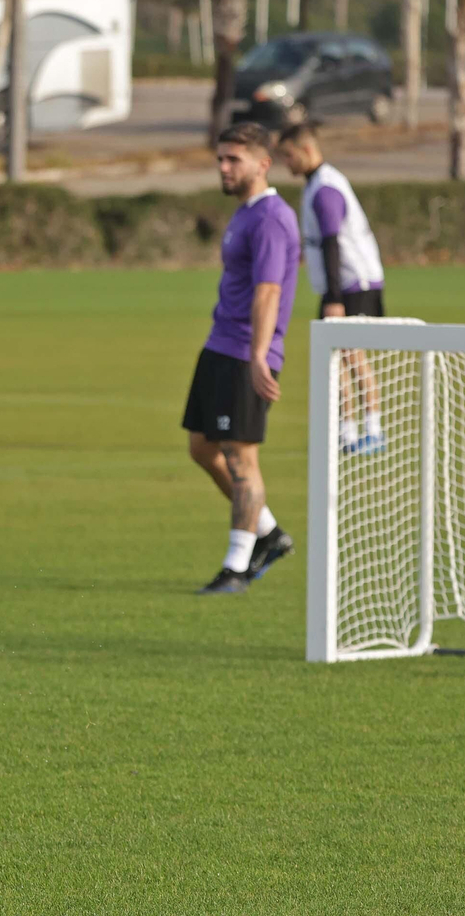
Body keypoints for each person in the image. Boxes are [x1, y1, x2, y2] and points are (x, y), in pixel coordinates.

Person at [183, 122, 300, 595]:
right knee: (202, 447)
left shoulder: (272, 218)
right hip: (220, 345)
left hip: (245, 353)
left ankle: (236, 567)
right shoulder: (246, 213)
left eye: (234, 160)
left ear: (262, 164)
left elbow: (269, 291)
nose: (224, 168)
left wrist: (258, 355)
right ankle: (269, 534)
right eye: (221, 159)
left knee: (240, 459)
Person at [278, 122, 386, 454]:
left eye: (289, 155)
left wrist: (334, 297)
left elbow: (331, 243)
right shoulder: (314, 185)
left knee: (352, 356)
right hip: (339, 285)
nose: (287, 163)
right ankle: (347, 431)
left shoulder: (325, 188)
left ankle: (373, 429)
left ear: (307, 150)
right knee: (337, 358)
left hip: (353, 284)